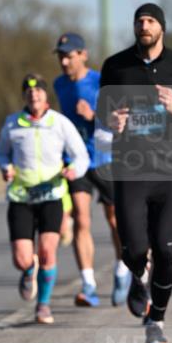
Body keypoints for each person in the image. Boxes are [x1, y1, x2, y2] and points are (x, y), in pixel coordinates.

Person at [98, 4, 172, 343]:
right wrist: (112, 121)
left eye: (151, 20)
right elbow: (102, 116)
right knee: (135, 248)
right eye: (139, 20)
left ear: (162, 27)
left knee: (165, 250)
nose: (144, 25)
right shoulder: (115, 66)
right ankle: (138, 274)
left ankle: (156, 320)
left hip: (170, 171)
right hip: (130, 170)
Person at [0, 74, 89, 324]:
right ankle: (28, 270)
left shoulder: (59, 123)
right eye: (29, 91)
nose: (34, 94)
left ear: (45, 95)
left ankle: (43, 305)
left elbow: (80, 156)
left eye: (38, 90)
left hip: (51, 194)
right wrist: (6, 168)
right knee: (22, 259)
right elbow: (2, 154)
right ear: (24, 96)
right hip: (21, 196)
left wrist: (74, 170)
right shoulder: (13, 123)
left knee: (47, 252)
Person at [53, 32, 130, 307]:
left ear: (83, 55)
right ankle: (88, 284)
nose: (64, 62)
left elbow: (122, 119)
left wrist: (93, 116)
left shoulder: (101, 82)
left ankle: (122, 270)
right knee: (81, 219)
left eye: (69, 56)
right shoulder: (59, 84)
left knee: (115, 220)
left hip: (106, 158)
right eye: (61, 56)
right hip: (77, 160)